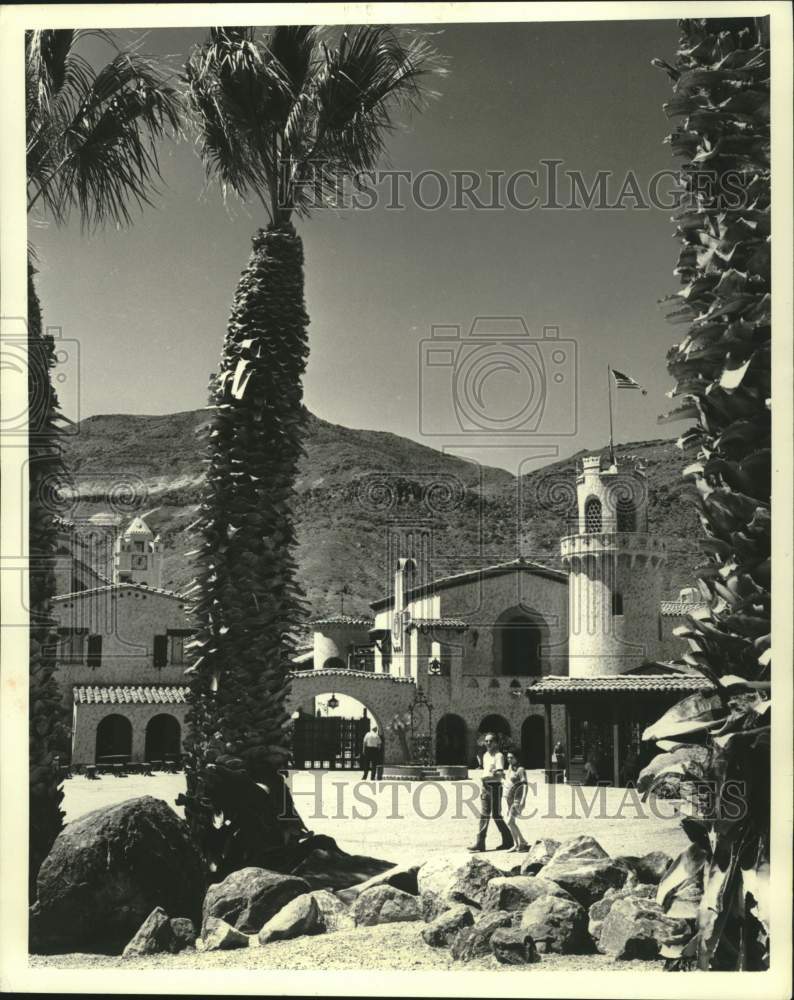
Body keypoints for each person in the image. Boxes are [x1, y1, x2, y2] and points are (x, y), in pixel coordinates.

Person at [467, 732, 513, 852]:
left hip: (495, 786)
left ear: (496, 743)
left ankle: (508, 840)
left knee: (496, 815)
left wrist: (491, 774)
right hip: (485, 786)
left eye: (490, 741)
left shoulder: (499, 756)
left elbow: (500, 773)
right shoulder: (486, 755)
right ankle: (480, 843)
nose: (487, 743)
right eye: (486, 741)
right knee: (484, 814)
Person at [503, 750, 529, 852]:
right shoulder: (510, 768)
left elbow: (525, 784)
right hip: (509, 798)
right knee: (512, 822)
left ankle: (520, 842)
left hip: (517, 799)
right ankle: (519, 843)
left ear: (517, 758)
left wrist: (523, 799)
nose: (509, 759)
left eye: (511, 757)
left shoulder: (520, 769)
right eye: (508, 757)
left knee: (510, 822)